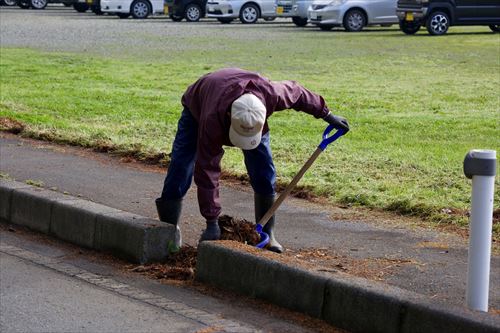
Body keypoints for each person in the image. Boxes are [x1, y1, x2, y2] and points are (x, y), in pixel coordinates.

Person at [156, 68, 349, 253]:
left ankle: (267, 232)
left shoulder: (271, 94)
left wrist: (328, 115)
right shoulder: (211, 119)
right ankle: (169, 229)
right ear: (230, 117)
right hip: (198, 106)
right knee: (181, 165)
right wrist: (211, 222)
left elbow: (298, 94)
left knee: (264, 170)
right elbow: (207, 170)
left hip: (247, 108)